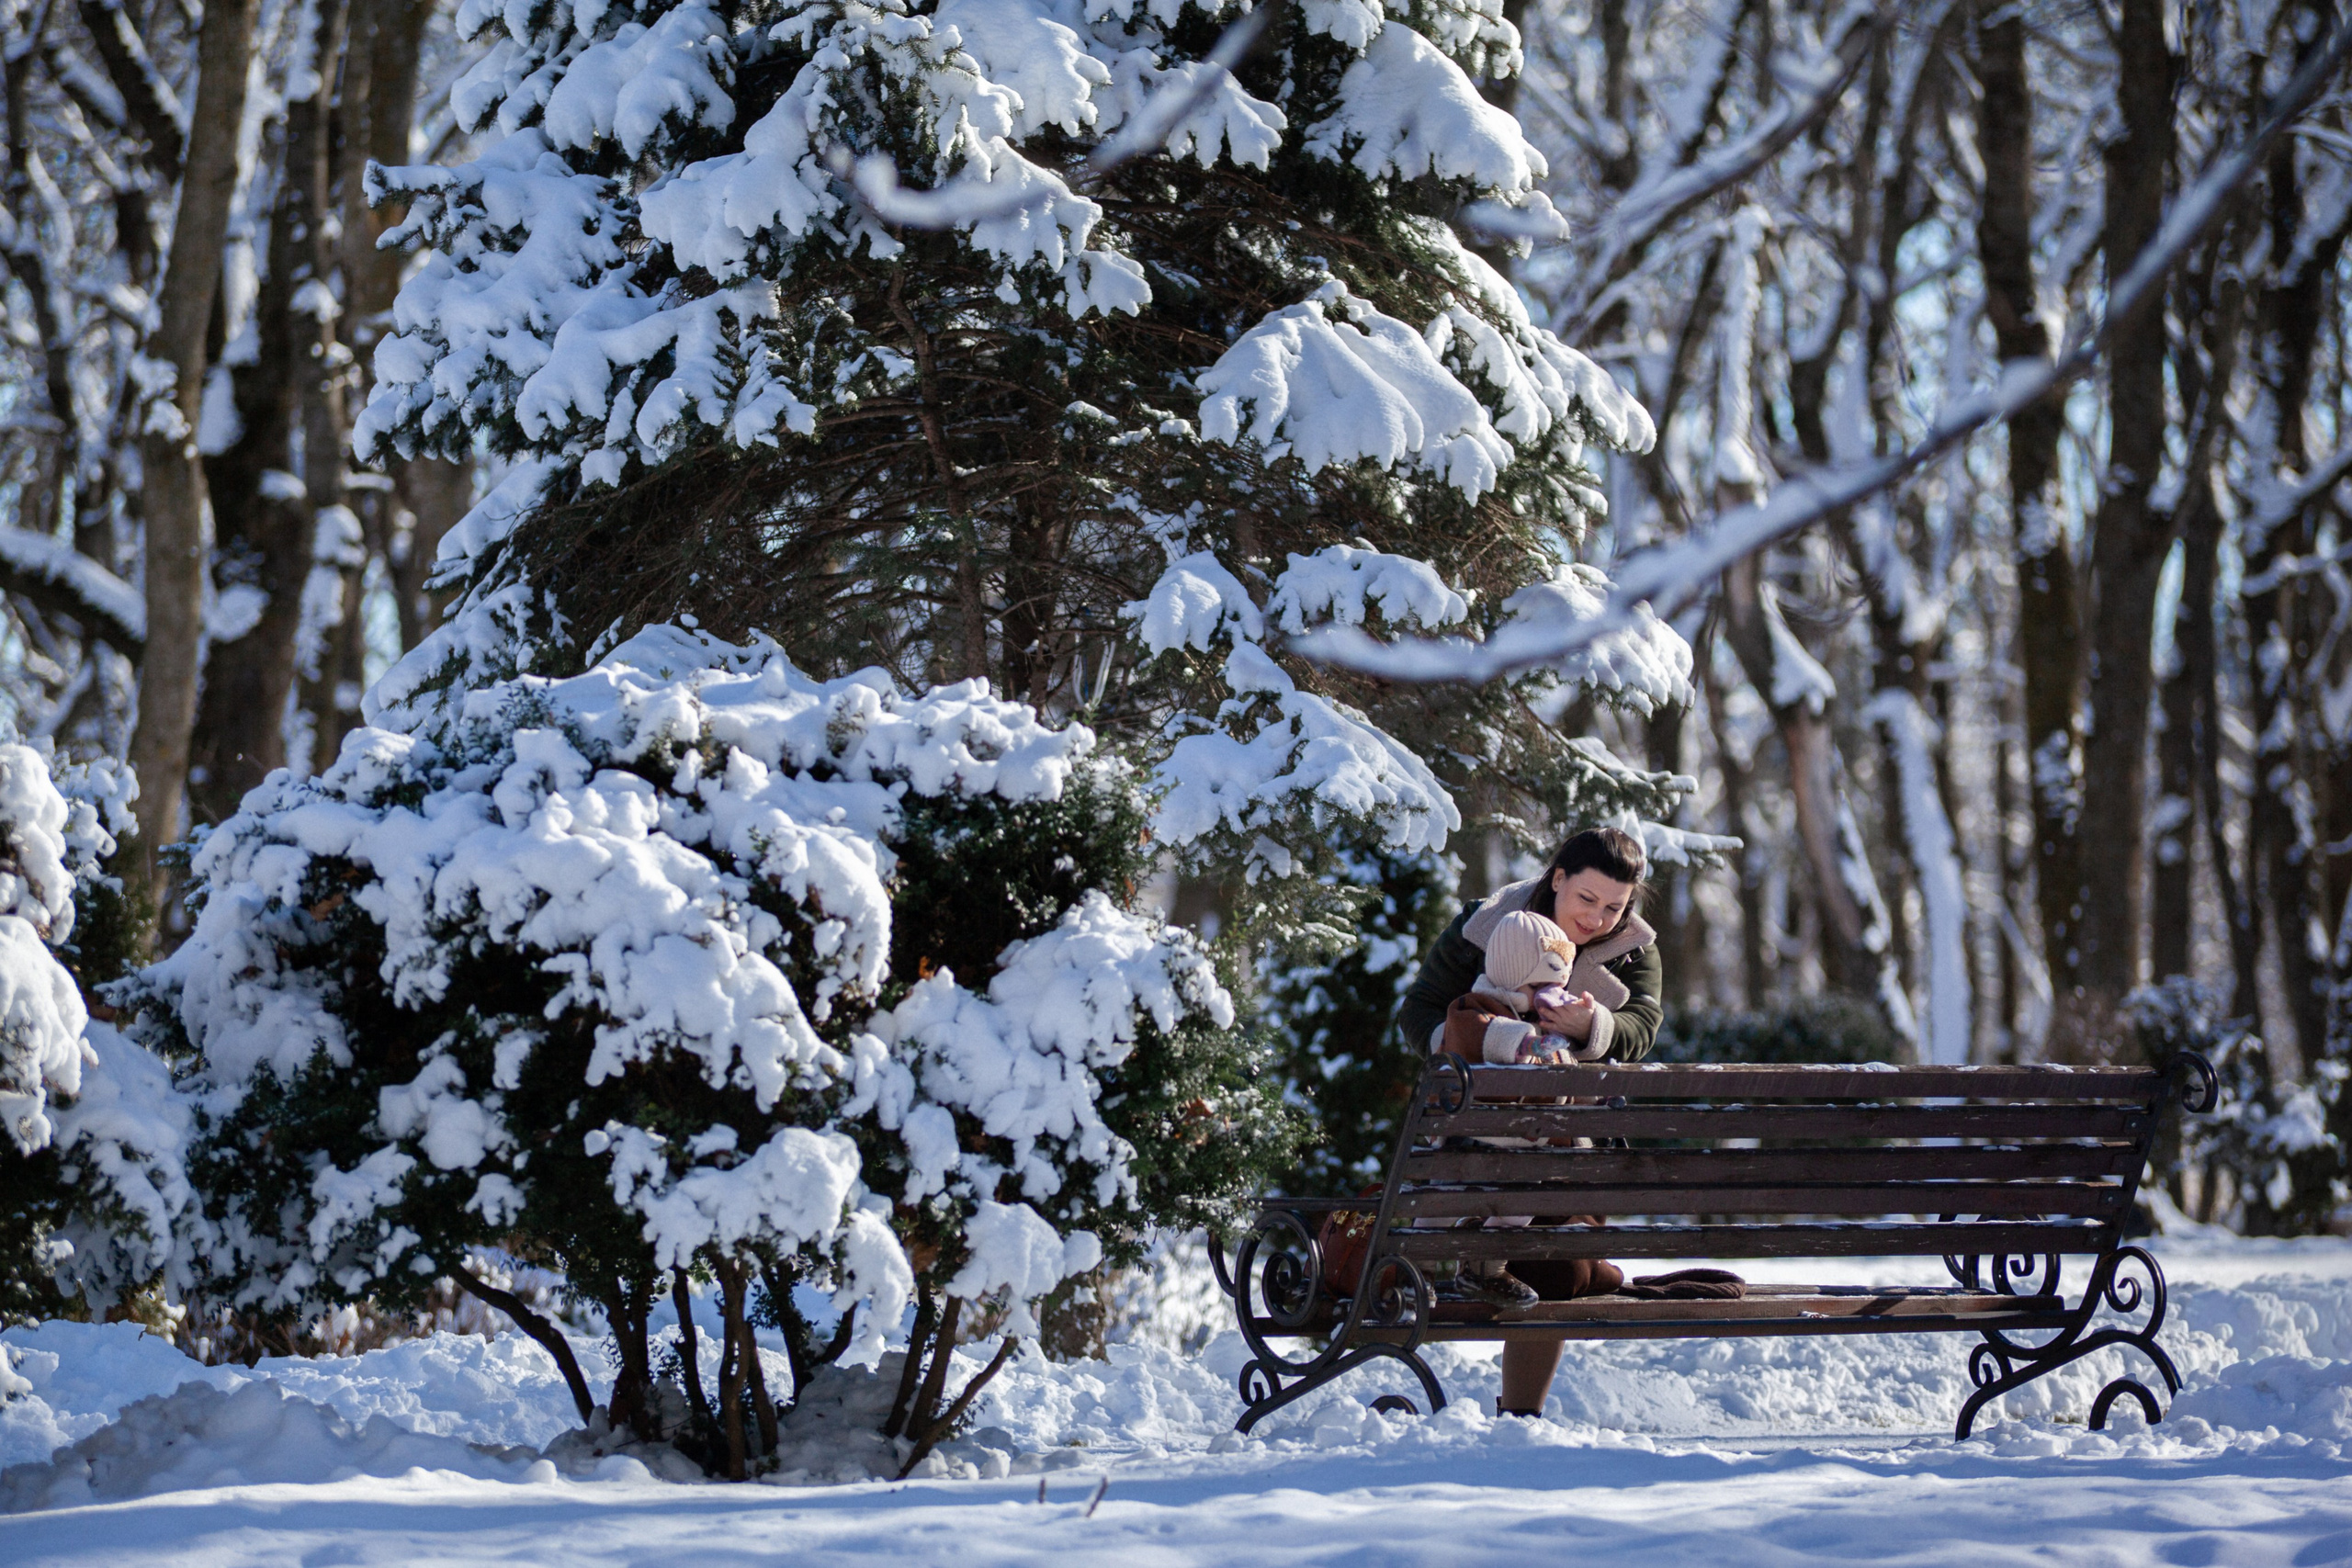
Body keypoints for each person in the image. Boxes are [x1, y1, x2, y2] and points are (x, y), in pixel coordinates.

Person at [1394, 825, 1660, 1416]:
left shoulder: (1635, 948)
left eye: (1614, 907)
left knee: (1558, 1265)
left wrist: (1590, 1029)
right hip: (1482, 1134)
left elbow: (1641, 1026)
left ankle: (1520, 1416)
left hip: (1571, 1143)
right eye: (1586, 899)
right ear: (1557, 879)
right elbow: (1417, 1012)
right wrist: (1484, 1042)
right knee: (1525, 1243)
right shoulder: (1489, 924)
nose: (1596, 919)